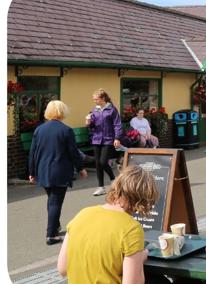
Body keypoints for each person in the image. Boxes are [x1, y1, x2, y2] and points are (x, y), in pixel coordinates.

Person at [57, 165, 159, 283]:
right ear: (143, 199)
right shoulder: (131, 229)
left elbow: (63, 269)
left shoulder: (82, 214)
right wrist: (140, 259)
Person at [29, 100, 88, 245]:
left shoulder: (39, 129)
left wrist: (31, 172)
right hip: (59, 171)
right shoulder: (66, 130)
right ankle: (51, 235)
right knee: (55, 202)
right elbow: (73, 153)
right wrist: (81, 168)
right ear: (62, 112)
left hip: (42, 170)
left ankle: (54, 225)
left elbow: (32, 153)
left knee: (51, 200)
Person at [86, 88, 122, 196]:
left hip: (108, 139)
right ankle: (101, 187)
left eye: (96, 99)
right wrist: (88, 122)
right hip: (96, 139)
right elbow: (92, 125)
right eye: (94, 100)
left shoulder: (112, 110)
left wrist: (117, 138)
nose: (94, 101)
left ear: (103, 98)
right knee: (97, 163)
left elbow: (117, 125)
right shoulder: (95, 110)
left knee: (103, 162)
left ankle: (113, 179)